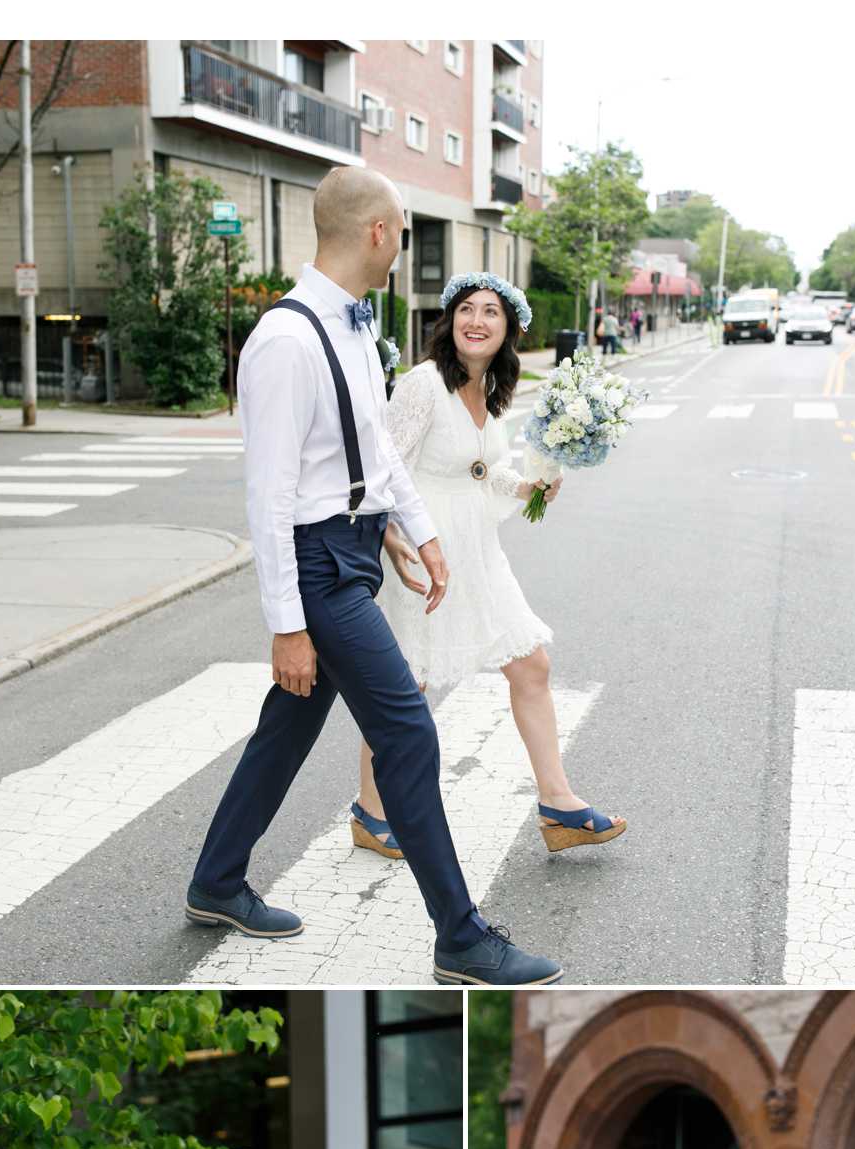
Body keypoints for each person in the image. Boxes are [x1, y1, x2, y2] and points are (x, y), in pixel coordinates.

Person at [184, 164, 560, 988]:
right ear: (378, 233)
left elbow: (378, 450)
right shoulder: (285, 341)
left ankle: (216, 881)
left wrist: (417, 534)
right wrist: (286, 623)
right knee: (407, 732)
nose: (403, 248)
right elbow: (270, 497)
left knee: (286, 729)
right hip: (318, 564)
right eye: (403, 232)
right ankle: (459, 935)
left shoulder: (356, 327)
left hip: (356, 547)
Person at [348, 272, 624, 863]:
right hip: (425, 549)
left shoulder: (489, 389)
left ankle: (559, 805)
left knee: (532, 664)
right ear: (449, 322)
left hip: (477, 550)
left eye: (491, 313)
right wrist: (394, 536)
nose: (477, 321)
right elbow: (384, 465)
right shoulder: (424, 384)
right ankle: (371, 812)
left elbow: (478, 470)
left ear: (508, 330)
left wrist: (527, 485)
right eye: (467, 310)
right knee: (407, 684)